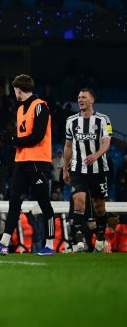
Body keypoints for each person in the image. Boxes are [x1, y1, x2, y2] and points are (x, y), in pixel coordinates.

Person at [0, 75, 57, 256]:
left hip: (38, 162)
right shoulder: (20, 109)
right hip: (22, 161)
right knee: (14, 202)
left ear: (18, 89)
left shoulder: (40, 106)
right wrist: (12, 140)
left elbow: (38, 136)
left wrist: (13, 139)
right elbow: (24, 138)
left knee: (44, 203)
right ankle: (4, 243)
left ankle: (50, 245)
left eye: (14, 89)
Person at [62, 88, 113, 252]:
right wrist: (65, 168)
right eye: (78, 97)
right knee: (78, 201)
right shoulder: (71, 121)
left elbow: (106, 142)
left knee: (99, 207)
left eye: (83, 97)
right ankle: (77, 240)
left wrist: (96, 155)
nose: (80, 99)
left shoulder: (104, 120)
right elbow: (68, 146)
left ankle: (100, 238)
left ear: (92, 100)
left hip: (98, 170)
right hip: (78, 169)